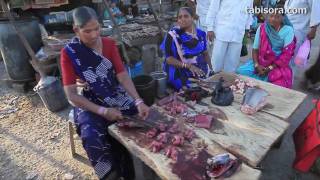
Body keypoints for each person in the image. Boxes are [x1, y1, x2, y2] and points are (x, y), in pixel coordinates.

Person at [60, 6, 150, 179]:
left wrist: (138, 101)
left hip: (113, 94)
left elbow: (122, 75)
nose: (94, 35)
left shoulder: (109, 44)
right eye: (87, 31)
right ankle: (110, 174)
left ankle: (132, 167)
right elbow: (71, 95)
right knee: (91, 135)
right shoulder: (69, 53)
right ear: (76, 29)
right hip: (88, 100)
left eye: (97, 29)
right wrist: (102, 111)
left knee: (138, 120)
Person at [236, 6, 296, 89]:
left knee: (279, 85)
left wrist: (270, 68)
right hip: (261, 62)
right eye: (271, 16)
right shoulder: (262, 28)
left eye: (277, 17)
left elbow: (287, 54)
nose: (273, 19)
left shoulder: (288, 30)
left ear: (282, 18)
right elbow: (255, 49)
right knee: (240, 72)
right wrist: (257, 65)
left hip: (278, 65)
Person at [161, 7, 213, 91]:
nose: (183, 19)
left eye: (186, 16)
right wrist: (188, 66)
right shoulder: (172, 35)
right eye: (180, 17)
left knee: (207, 82)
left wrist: (211, 69)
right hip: (177, 69)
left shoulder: (201, 34)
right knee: (189, 87)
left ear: (192, 18)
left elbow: (205, 53)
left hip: (196, 67)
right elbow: (169, 59)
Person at [206, 0, 254, 73]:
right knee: (216, 62)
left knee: (232, 63)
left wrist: (247, 30)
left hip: (238, 33)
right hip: (222, 31)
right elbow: (213, 9)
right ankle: (211, 79)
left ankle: (228, 81)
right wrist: (210, 28)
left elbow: (249, 13)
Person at [284, 0, 320, 79]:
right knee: (284, 58)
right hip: (287, 27)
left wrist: (313, 29)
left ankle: (287, 82)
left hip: (299, 29)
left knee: (291, 60)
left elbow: (316, 11)